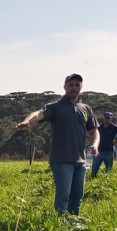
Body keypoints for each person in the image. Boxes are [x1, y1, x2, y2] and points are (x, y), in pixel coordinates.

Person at [16, 73, 99, 216]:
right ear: (65, 87)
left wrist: (95, 144)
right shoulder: (55, 107)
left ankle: (74, 221)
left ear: (81, 87)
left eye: (77, 85)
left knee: (77, 195)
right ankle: (60, 223)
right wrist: (28, 121)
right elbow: (39, 113)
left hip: (81, 160)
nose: (74, 87)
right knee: (64, 195)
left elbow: (94, 131)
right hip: (61, 159)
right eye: (70, 85)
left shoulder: (86, 109)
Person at [91, 112, 117, 177]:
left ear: (111, 119)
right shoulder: (99, 127)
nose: (107, 119)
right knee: (94, 169)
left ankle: (108, 181)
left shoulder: (114, 127)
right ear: (103, 118)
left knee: (109, 169)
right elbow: (93, 134)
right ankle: (93, 179)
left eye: (109, 118)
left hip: (109, 151)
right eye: (106, 118)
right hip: (98, 151)